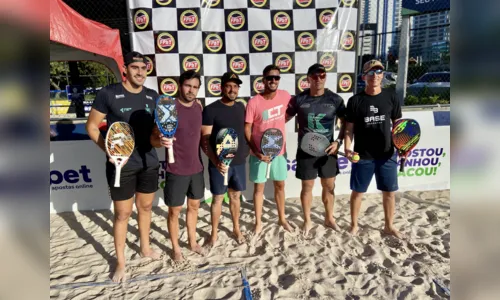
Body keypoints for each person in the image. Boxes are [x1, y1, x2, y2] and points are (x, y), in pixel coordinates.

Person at [85, 51, 161, 283]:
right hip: (122, 166)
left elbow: (154, 137)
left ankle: (145, 249)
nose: (140, 72)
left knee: (146, 208)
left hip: (148, 162)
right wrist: (110, 152)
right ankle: (120, 262)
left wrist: (163, 139)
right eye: (136, 68)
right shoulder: (108, 93)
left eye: (144, 68)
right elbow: (92, 127)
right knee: (122, 214)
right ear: (125, 69)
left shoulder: (153, 95)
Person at [343, 59, 403, 238]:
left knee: (389, 193)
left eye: (378, 72)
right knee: (357, 193)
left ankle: (388, 226)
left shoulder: (391, 96)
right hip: (363, 155)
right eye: (371, 72)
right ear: (364, 77)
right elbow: (349, 128)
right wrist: (347, 148)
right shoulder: (355, 100)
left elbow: (399, 125)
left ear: (383, 75)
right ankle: (354, 225)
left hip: (387, 154)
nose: (375, 75)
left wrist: (403, 146)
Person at [150, 70, 206, 261]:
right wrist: (160, 141)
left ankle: (192, 242)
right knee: (174, 211)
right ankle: (176, 248)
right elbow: (154, 139)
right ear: (180, 85)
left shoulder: (199, 107)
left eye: (195, 87)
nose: (191, 90)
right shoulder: (168, 108)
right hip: (176, 169)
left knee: (194, 206)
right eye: (188, 85)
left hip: (197, 168)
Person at [286, 63, 346, 236]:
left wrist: (339, 142)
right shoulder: (299, 99)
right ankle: (308, 221)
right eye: (314, 76)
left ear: (325, 77)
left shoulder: (335, 99)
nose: (318, 79)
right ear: (308, 79)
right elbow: (283, 118)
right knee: (307, 187)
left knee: (329, 187)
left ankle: (329, 218)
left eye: (322, 75)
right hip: (306, 150)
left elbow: (347, 123)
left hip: (328, 151)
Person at [201, 72, 250, 247]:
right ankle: (214, 234)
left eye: (235, 86)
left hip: (238, 162)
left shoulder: (241, 108)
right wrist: (216, 161)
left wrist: (248, 150)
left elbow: (245, 131)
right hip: (219, 164)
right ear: (222, 87)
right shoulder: (211, 109)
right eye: (229, 86)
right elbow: (205, 139)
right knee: (218, 199)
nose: (232, 89)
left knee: (236, 197)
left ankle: (236, 228)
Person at [245, 64, 293, 235]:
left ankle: (282, 218)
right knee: (259, 189)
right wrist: (256, 151)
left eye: (276, 78)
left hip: (280, 152)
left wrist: (281, 123)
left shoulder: (285, 96)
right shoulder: (254, 102)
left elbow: (292, 111)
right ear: (263, 80)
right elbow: (247, 129)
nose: (273, 81)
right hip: (259, 154)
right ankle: (258, 223)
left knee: (280, 185)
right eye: (270, 78)